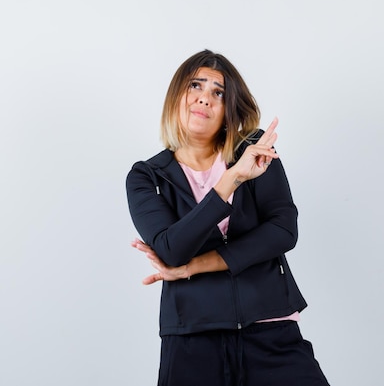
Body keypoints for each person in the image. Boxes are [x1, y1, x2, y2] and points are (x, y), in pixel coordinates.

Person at [126, 50, 330, 386]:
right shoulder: (147, 177)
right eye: (195, 85)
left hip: (270, 329)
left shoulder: (255, 151)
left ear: (228, 108)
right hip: (192, 337)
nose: (204, 98)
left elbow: (282, 230)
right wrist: (230, 180)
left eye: (218, 92)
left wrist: (196, 266)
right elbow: (171, 250)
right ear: (177, 95)